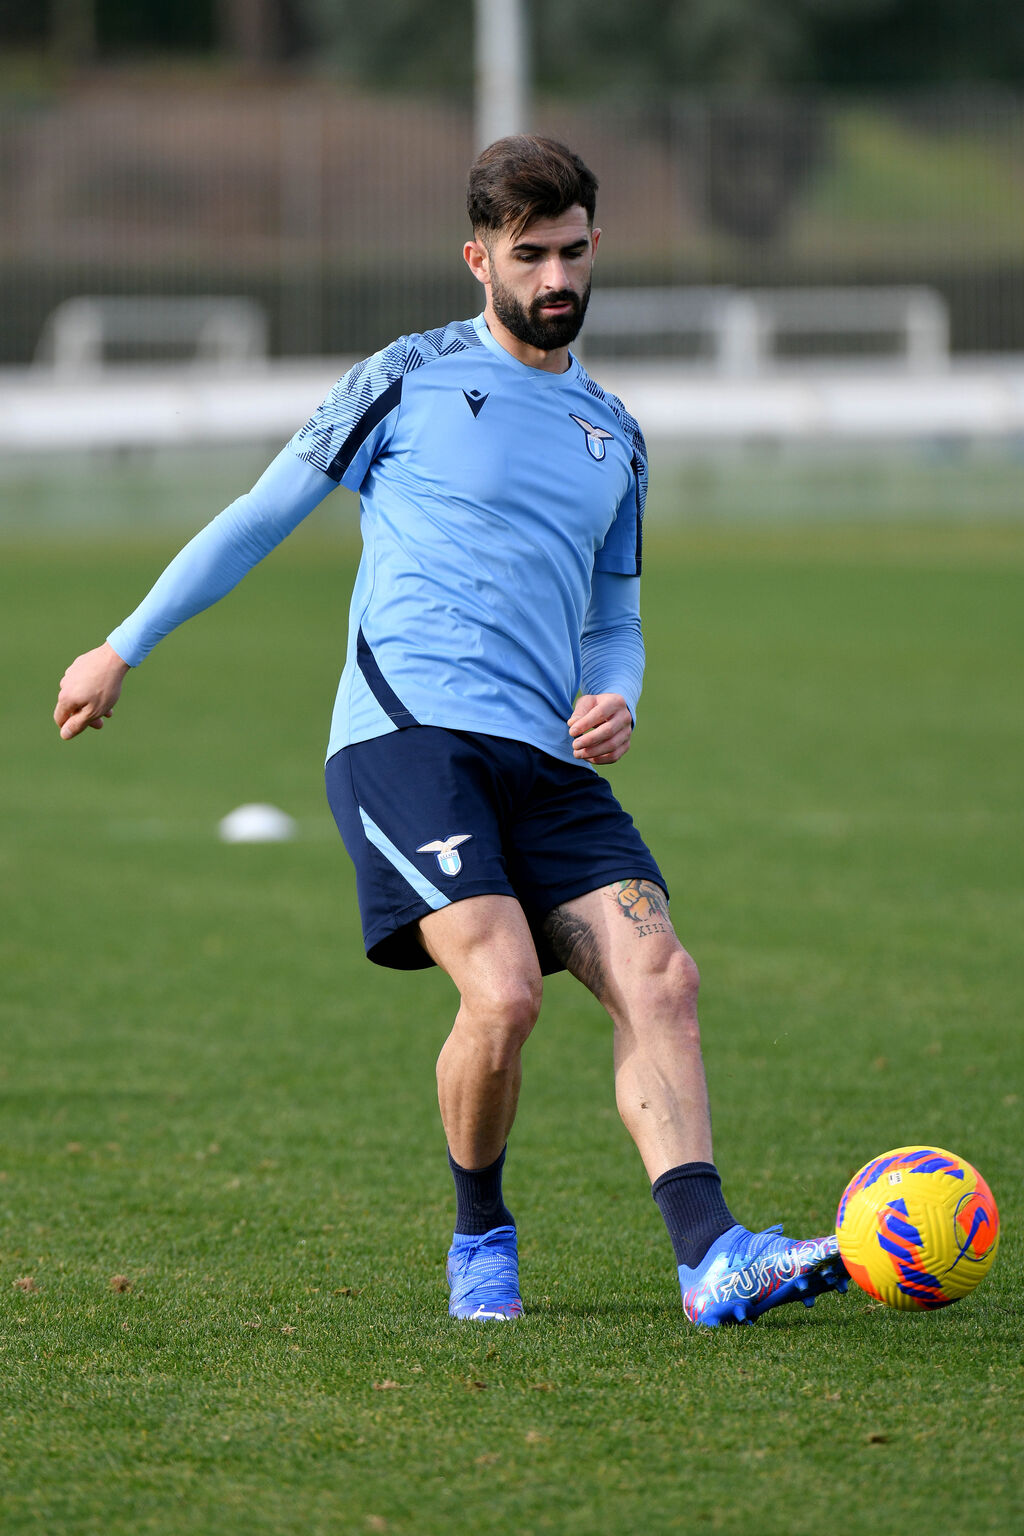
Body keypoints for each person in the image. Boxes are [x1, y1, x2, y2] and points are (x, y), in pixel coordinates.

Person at [54, 134, 848, 1326]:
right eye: (528, 256)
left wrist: (620, 692)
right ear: (479, 259)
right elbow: (259, 516)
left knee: (662, 975)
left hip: (546, 759)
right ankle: (481, 1232)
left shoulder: (615, 433)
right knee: (507, 992)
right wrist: (122, 646)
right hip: (406, 739)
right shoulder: (405, 376)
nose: (555, 278)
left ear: (594, 244)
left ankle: (711, 1258)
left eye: (571, 251)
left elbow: (615, 617)